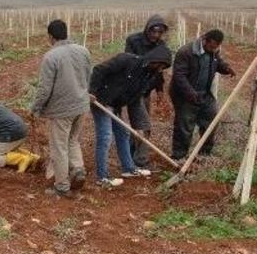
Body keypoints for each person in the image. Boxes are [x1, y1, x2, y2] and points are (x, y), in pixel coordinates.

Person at [89, 46, 172, 188]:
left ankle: (128, 169)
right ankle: (102, 177)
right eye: (159, 65)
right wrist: (92, 91)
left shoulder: (148, 76)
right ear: (153, 60)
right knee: (105, 137)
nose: (159, 69)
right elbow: (98, 70)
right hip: (101, 100)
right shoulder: (126, 60)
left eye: (162, 67)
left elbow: (135, 98)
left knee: (123, 132)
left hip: (115, 105)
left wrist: (138, 126)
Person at [31, 20, 92, 198]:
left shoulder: (51, 57)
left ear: (50, 36)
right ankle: (78, 170)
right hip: (81, 105)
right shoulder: (83, 51)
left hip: (61, 110)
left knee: (59, 147)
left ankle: (62, 187)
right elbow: (89, 76)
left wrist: (36, 108)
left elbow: (44, 89)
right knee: (72, 141)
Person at [170, 29, 235, 160]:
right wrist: (190, 93)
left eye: (216, 47)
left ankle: (204, 154)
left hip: (205, 94)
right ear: (204, 39)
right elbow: (179, 76)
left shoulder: (213, 51)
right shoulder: (186, 52)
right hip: (185, 95)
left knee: (211, 121)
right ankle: (179, 156)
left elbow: (218, 63)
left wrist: (226, 68)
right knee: (184, 125)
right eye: (211, 46)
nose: (213, 50)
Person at [124, 15, 169, 170]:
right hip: (134, 90)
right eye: (154, 31)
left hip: (147, 90)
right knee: (144, 125)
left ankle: (130, 153)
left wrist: (160, 90)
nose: (156, 35)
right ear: (147, 29)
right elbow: (128, 63)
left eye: (160, 32)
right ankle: (140, 160)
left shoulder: (161, 44)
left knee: (139, 124)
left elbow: (159, 70)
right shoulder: (133, 41)